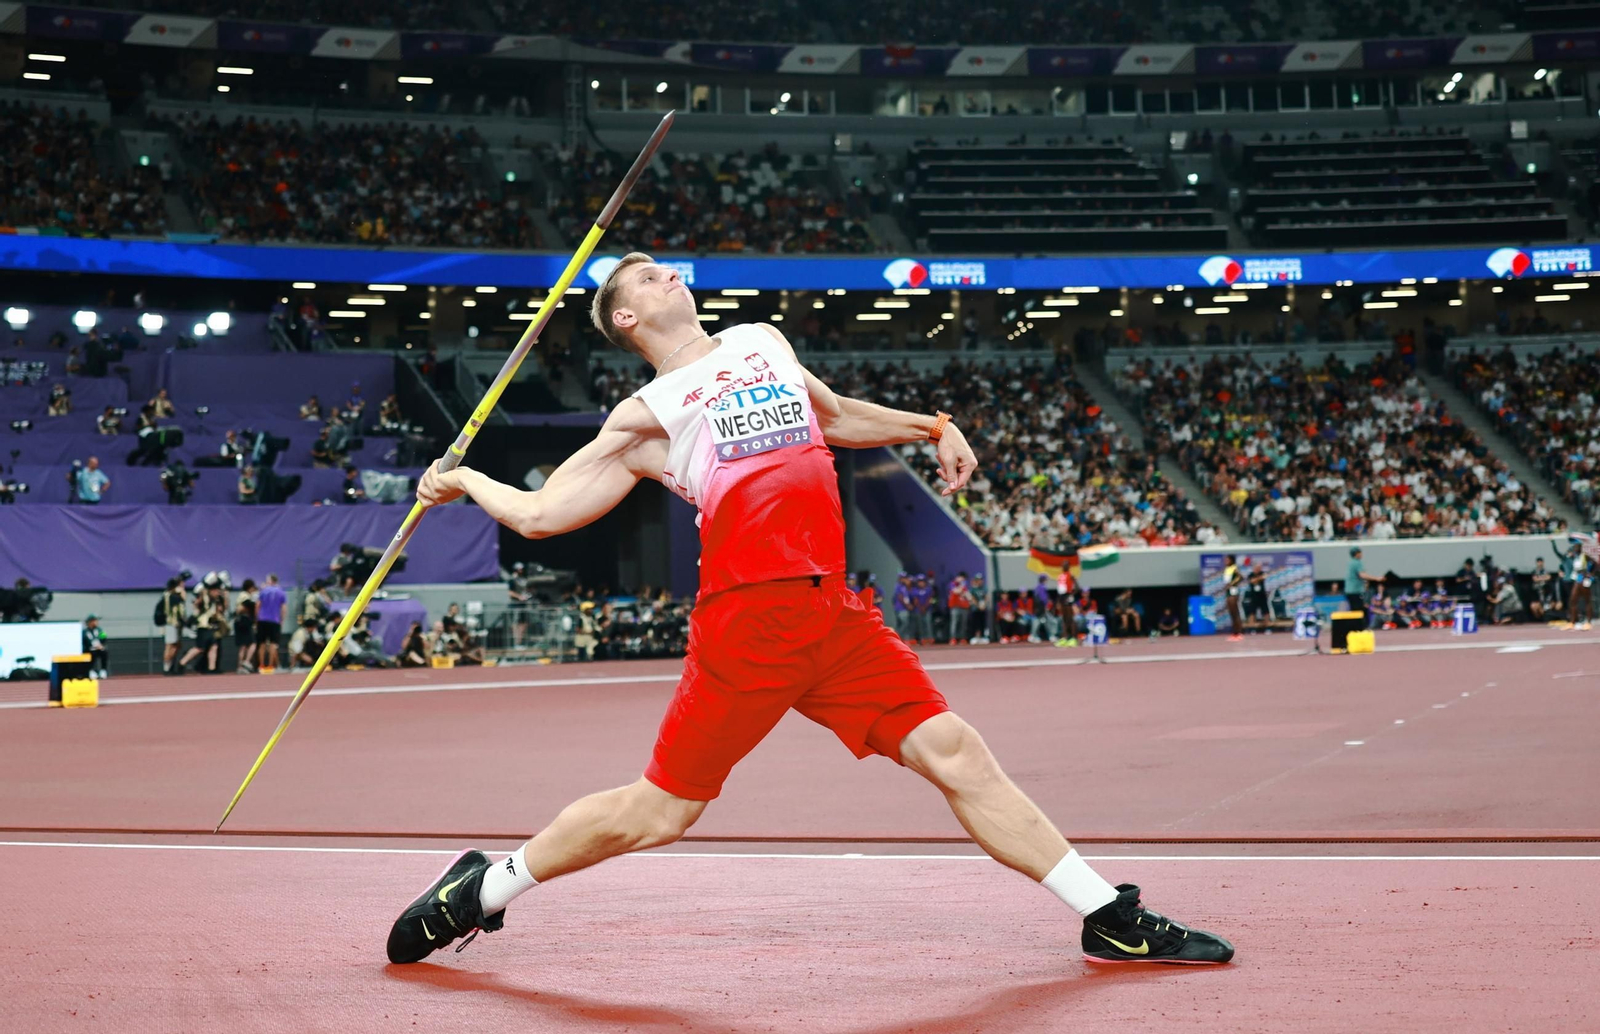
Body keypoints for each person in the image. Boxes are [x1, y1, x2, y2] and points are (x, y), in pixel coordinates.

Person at [387, 255, 1233, 967]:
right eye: (647, 275)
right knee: (662, 813)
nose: (669, 271)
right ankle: (484, 887)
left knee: (956, 753)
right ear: (626, 318)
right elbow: (542, 514)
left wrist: (930, 424)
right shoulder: (643, 421)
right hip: (747, 620)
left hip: (832, 609)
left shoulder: (762, 340)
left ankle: (1106, 917)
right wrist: (464, 480)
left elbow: (836, 418)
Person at [256, 573, 287, 672]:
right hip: (275, 620)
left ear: (270, 581)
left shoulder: (263, 591)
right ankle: (270, 665)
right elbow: (283, 608)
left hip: (262, 619)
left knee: (262, 643)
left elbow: (258, 605)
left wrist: (257, 618)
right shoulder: (281, 592)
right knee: (273, 644)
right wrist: (282, 620)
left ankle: (261, 665)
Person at [1345, 547, 1383, 627]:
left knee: (1355, 611)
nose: (1361, 554)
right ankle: (1359, 629)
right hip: (1355, 591)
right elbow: (1362, 575)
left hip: (1349, 591)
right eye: (1360, 553)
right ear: (1357, 554)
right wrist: (1376, 578)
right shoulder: (1357, 562)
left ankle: (1355, 628)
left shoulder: (1350, 562)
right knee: (1359, 611)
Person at [234, 579, 259, 673]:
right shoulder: (245, 596)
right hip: (244, 621)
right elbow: (246, 606)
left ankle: (240, 666)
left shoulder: (241, 595)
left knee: (243, 646)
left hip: (239, 621)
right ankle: (247, 661)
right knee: (252, 643)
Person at [1222, 554, 1244, 642]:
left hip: (1233, 591)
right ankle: (1234, 633)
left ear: (1231, 560)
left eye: (1227, 560)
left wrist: (1231, 584)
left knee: (1235, 613)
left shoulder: (1234, 568)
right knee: (1231, 613)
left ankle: (1239, 632)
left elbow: (1241, 577)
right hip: (1228, 592)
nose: (1226, 561)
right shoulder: (1227, 569)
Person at [81, 614, 108, 679]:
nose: (96, 622)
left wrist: (102, 645)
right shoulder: (84, 632)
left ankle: (103, 670)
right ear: (90, 622)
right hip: (89, 649)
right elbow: (85, 641)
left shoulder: (100, 630)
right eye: (94, 621)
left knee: (104, 652)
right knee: (92, 654)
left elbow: (104, 637)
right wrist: (92, 646)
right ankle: (91, 670)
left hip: (98, 648)